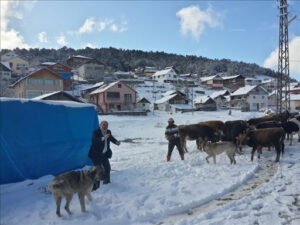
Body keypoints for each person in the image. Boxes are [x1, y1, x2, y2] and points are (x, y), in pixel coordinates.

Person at [88, 120, 120, 189]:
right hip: (96, 154)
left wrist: (116, 142)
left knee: (107, 168)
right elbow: (94, 140)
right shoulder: (96, 132)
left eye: (106, 125)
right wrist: (103, 138)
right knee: (98, 171)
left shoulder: (108, 131)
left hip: (104, 154)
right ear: (100, 125)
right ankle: (95, 187)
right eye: (103, 125)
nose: (105, 126)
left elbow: (111, 138)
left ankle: (107, 182)